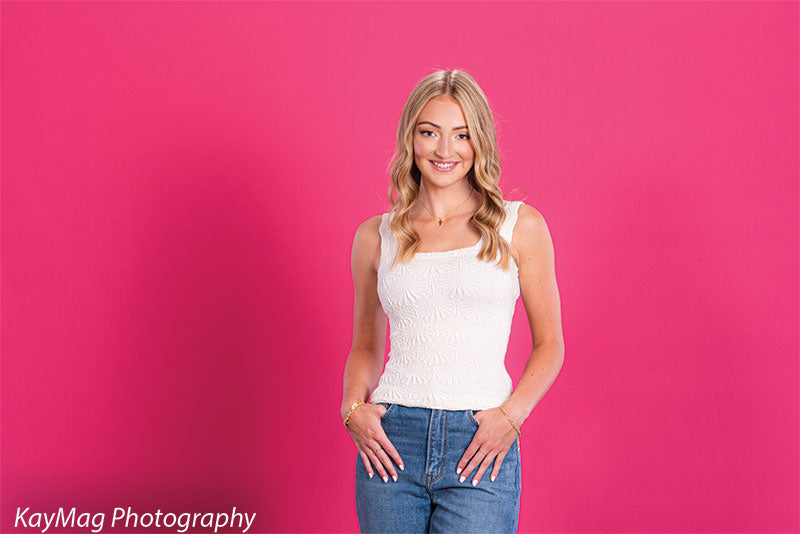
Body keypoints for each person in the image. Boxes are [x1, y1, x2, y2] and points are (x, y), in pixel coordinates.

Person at [340, 69, 565, 533]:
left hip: (480, 441)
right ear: (411, 139)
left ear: (479, 141)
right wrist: (352, 409)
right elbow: (365, 345)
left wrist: (511, 416)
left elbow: (550, 344)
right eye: (430, 133)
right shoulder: (375, 236)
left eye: (461, 135)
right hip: (391, 441)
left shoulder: (519, 226)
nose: (445, 151)